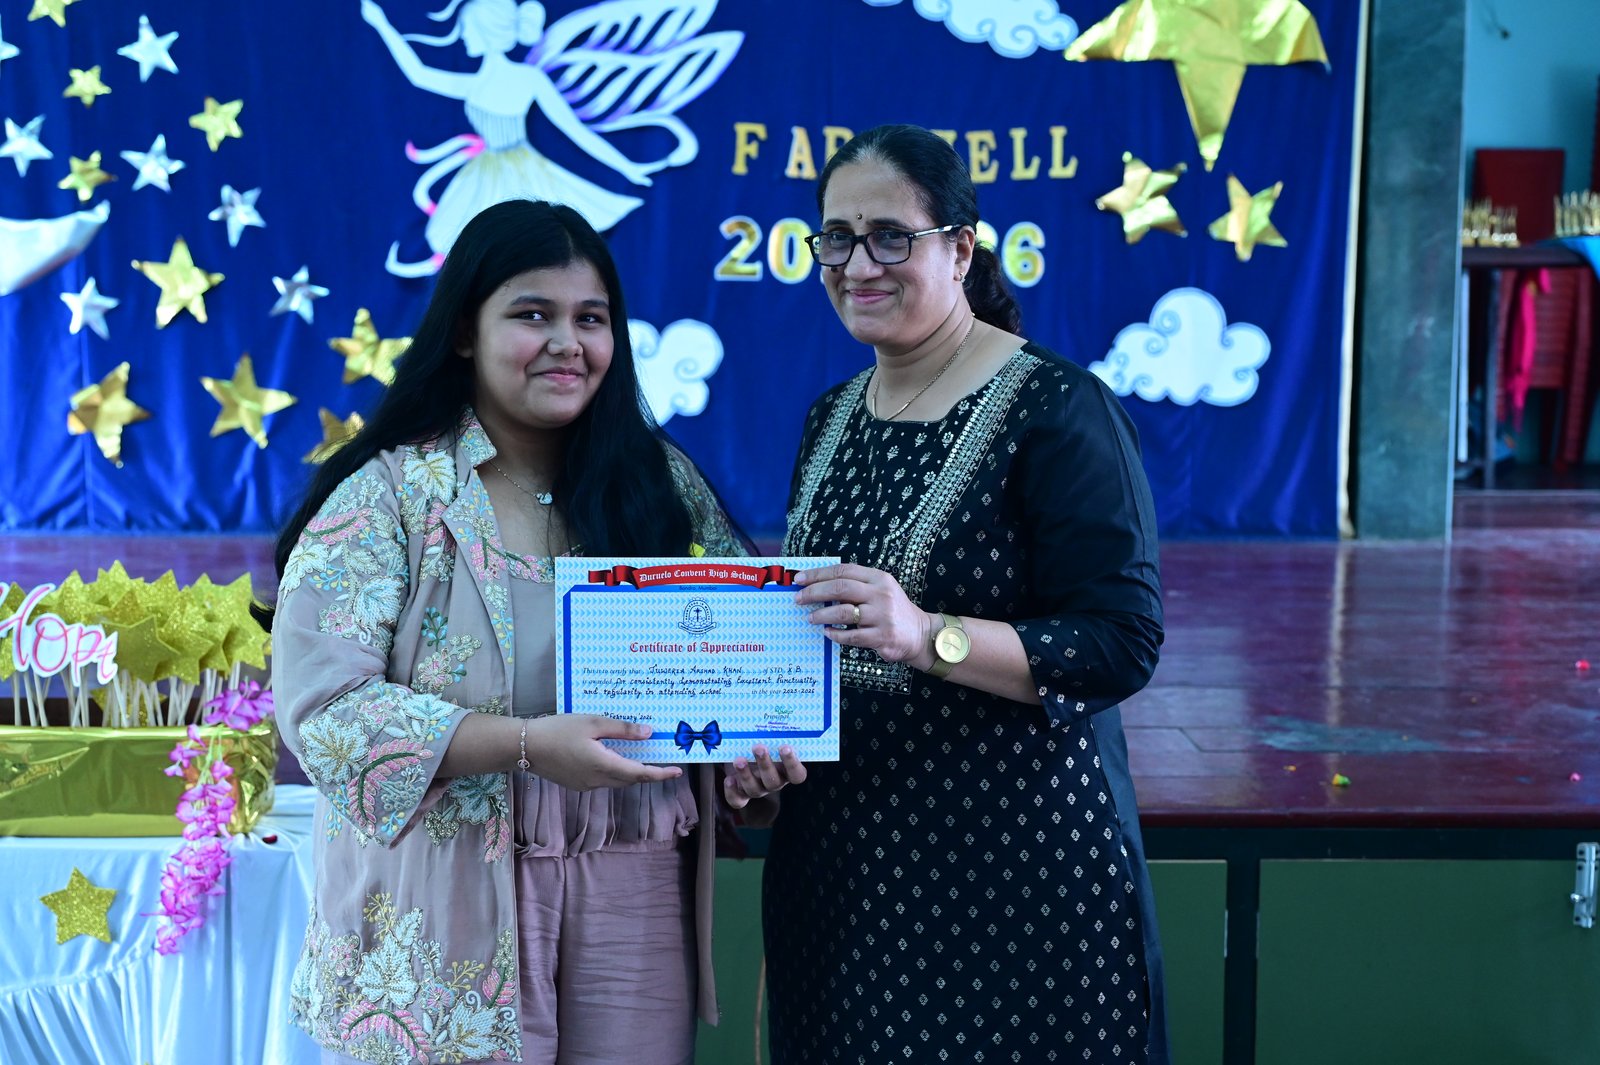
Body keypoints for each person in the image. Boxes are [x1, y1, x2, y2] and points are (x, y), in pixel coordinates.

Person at [267, 199, 795, 1065]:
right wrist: (526, 745)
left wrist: (749, 761)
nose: (567, 343)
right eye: (532, 315)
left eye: (591, 318)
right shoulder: (390, 495)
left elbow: (734, 675)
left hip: (635, 900)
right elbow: (326, 711)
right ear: (465, 332)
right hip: (441, 899)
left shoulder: (661, 487)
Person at [766, 124, 1170, 1064]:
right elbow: (816, 636)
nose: (858, 264)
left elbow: (1120, 642)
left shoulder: (1057, 408)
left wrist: (927, 635)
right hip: (843, 880)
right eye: (837, 238)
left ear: (959, 247)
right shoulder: (831, 417)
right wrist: (761, 742)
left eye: (890, 237)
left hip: (1013, 876)